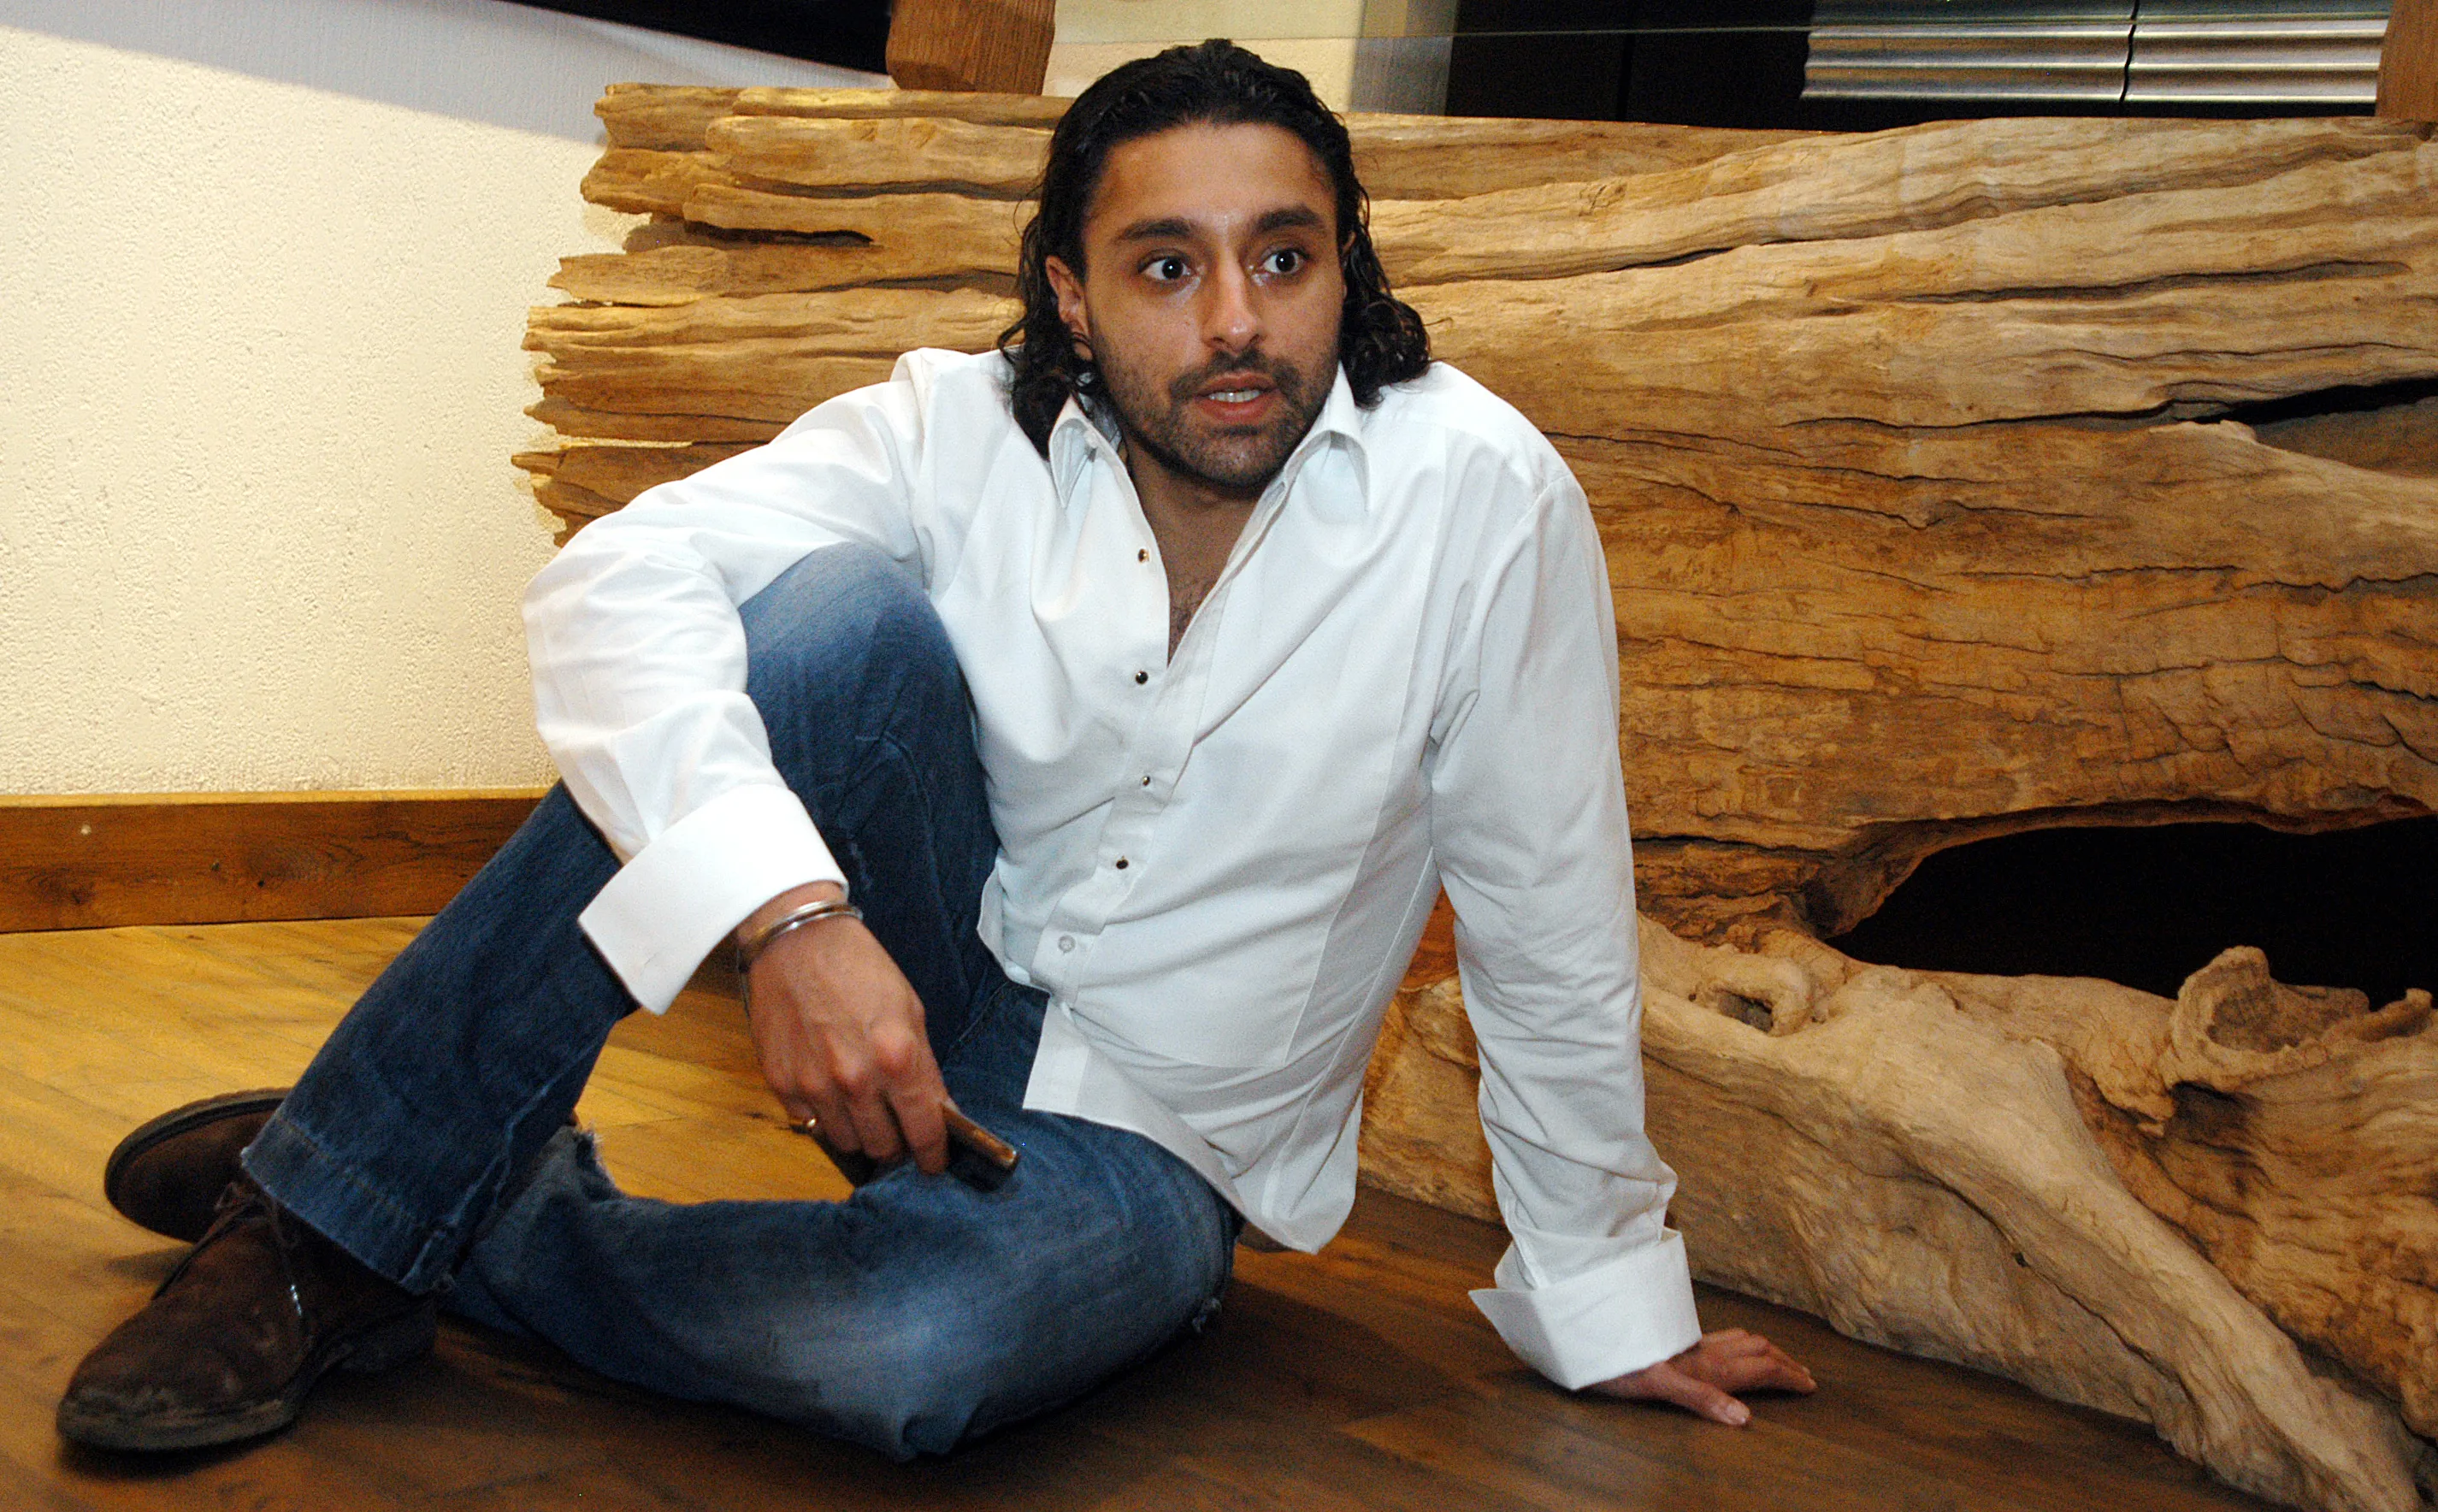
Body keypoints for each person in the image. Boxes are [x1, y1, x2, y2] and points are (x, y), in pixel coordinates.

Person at [57, 40, 1811, 1459]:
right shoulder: (959, 425)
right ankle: (322, 1233)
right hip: (916, 971)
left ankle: (407, 1175)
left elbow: (1549, 912)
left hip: (1158, 1142)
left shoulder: (1483, 501)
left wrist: (1608, 1295)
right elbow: (616, 580)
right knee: (817, 619)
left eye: (1286, 257)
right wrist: (794, 919)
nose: (1236, 327)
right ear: (1067, 294)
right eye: (1167, 266)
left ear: (1348, 264)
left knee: (908, 1348)